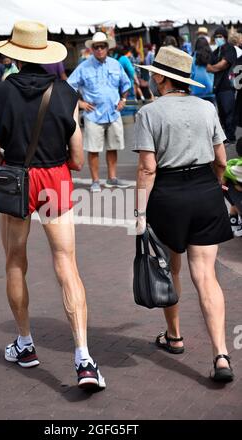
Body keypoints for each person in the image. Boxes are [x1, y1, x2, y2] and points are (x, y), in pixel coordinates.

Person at [0, 20, 106, 391]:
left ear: (14, 55)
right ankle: (83, 358)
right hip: (54, 178)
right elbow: (79, 159)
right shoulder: (65, 93)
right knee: (67, 264)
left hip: (16, 179)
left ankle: (25, 343)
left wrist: (13, 157)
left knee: (15, 261)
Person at [134, 46, 234, 382]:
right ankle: (221, 354)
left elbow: (147, 169)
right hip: (206, 190)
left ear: (162, 77)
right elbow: (221, 159)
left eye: (153, 73)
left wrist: (138, 210)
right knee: (206, 275)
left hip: (169, 195)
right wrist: (217, 185)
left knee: (170, 268)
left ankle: (174, 336)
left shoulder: (149, 113)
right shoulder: (207, 108)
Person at [67, 32, 131, 193]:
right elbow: (68, 87)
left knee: (113, 147)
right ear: (92, 49)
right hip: (93, 115)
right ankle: (95, 181)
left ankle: (112, 178)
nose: (100, 49)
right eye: (96, 47)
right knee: (93, 149)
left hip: (113, 113)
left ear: (107, 48)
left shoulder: (115, 64)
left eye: (102, 46)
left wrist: (123, 100)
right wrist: (80, 103)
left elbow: (126, 83)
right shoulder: (84, 66)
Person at [207, 27, 237, 144]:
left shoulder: (230, 49)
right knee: (222, 114)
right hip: (218, 87)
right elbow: (208, 66)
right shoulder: (216, 51)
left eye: (220, 36)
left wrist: (213, 68)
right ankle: (225, 137)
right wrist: (213, 67)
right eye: (217, 36)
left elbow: (222, 65)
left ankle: (231, 136)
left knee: (229, 112)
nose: (218, 38)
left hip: (228, 86)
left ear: (225, 37)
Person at [191, 37, 214, 102]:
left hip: (196, 90)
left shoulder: (193, 57)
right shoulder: (212, 56)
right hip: (210, 89)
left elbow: (191, 74)